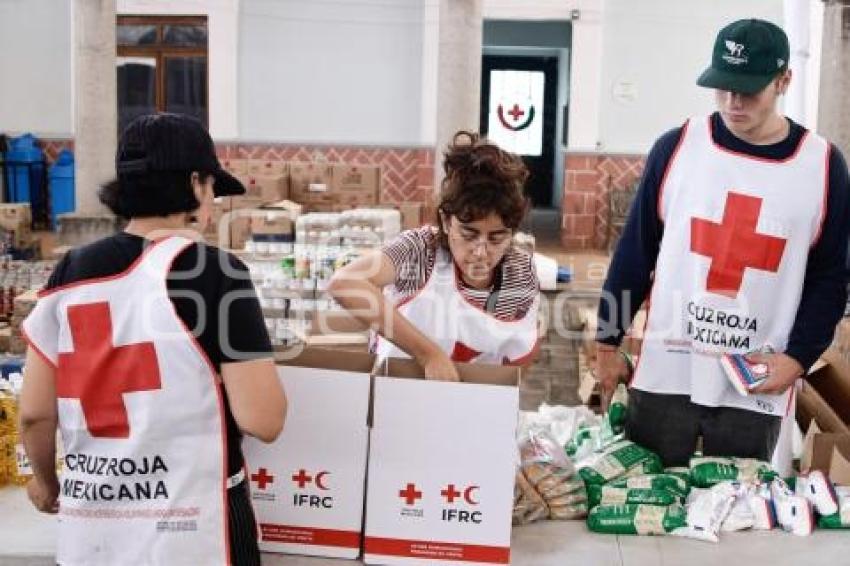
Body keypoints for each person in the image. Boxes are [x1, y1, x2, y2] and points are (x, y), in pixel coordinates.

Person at [19, 113, 287, 565]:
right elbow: (263, 419)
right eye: (213, 190)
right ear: (196, 184)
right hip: (195, 531)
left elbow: (34, 414)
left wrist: (46, 482)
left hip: (94, 534)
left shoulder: (70, 271)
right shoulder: (217, 273)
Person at [594, 19, 850, 467]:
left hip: (756, 377)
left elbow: (830, 276)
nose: (733, 102)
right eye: (722, 87)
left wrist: (798, 359)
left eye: (748, 90)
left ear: (783, 80)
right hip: (668, 370)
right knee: (648, 501)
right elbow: (635, 253)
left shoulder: (823, 166)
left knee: (739, 510)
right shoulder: (677, 147)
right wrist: (606, 343)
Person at [329, 131, 540, 380]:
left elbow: (523, 351)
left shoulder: (520, 271)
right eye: (469, 234)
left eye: (496, 238)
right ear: (446, 221)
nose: (481, 252)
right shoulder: (418, 250)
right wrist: (429, 355)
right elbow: (345, 284)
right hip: (399, 392)